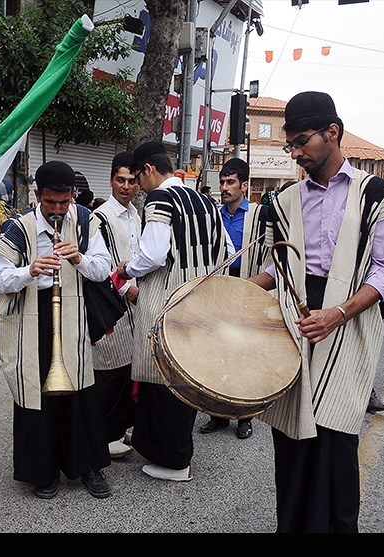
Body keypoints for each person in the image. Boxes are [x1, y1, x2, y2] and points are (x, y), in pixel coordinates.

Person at [247, 91, 384, 533]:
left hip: (349, 321)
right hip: (295, 319)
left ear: (332, 133)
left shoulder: (379, 195)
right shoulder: (285, 199)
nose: (296, 153)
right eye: (291, 146)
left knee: (335, 437)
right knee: (291, 434)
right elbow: (277, 265)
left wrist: (337, 313)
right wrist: (238, 292)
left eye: (303, 142)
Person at [0, 160, 113, 500]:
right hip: (33, 315)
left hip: (72, 313)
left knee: (80, 388)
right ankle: (43, 472)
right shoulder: (18, 227)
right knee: (36, 392)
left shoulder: (86, 220)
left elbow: (103, 269)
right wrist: (29, 271)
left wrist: (80, 259)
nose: (57, 210)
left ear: (73, 195)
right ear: (37, 195)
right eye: (50, 203)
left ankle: (88, 466)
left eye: (64, 202)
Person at [116, 141, 226, 482]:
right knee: (184, 376)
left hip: (166, 296)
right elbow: (227, 248)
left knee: (163, 378)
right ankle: (166, 449)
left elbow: (152, 254)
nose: (138, 186)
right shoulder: (205, 200)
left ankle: (175, 460)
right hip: (199, 296)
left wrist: (126, 268)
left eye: (138, 177)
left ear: (148, 169)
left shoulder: (160, 198)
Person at [199, 157, 271, 440]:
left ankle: (244, 416)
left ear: (245, 185)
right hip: (218, 294)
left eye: (230, 182)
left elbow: (269, 257)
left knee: (244, 357)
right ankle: (217, 415)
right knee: (216, 355)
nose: (225, 188)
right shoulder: (213, 215)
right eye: (222, 183)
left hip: (247, 292)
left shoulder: (259, 215)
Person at [91, 152, 140, 459]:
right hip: (112, 303)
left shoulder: (138, 215)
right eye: (120, 180)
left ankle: (117, 432)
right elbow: (100, 266)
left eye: (132, 181)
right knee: (108, 371)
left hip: (136, 305)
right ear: (111, 181)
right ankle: (102, 436)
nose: (126, 186)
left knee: (127, 370)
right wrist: (126, 289)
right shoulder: (100, 218)